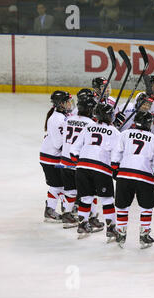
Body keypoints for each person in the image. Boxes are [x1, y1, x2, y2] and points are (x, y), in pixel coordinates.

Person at [70, 102, 120, 241]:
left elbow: (74, 150)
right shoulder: (115, 132)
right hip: (101, 169)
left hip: (82, 167)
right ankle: (111, 229)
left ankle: (82, 224)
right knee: (107, 200)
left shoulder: (88, 127)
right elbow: (116, 155)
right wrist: (115, 168)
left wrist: (79, 162)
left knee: (86, 198)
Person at [111, 110, 154, 249]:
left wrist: (115, 167)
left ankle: (121, 233)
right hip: (144, 177)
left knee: (122, 206)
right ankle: (144, 236)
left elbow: (117, 152)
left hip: (124, 175)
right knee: (146, 208)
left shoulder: (125, 134)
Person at [60, 88, 99, 229]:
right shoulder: (91, 124)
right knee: (89, 192)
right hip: (79, 162)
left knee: (70, 191)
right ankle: (92, 218)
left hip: (64, 161)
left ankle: (67, 214)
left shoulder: (68, 119)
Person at [40, 91, 73, 223]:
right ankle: (50, 210)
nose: (71, 104)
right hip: (50, 157)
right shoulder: (56, 119)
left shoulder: (62, 116)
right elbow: (59, 144)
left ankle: (63, 208)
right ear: (60, 104)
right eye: (68, 102)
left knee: (61, 185)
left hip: (53, 156)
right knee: (58, 186)